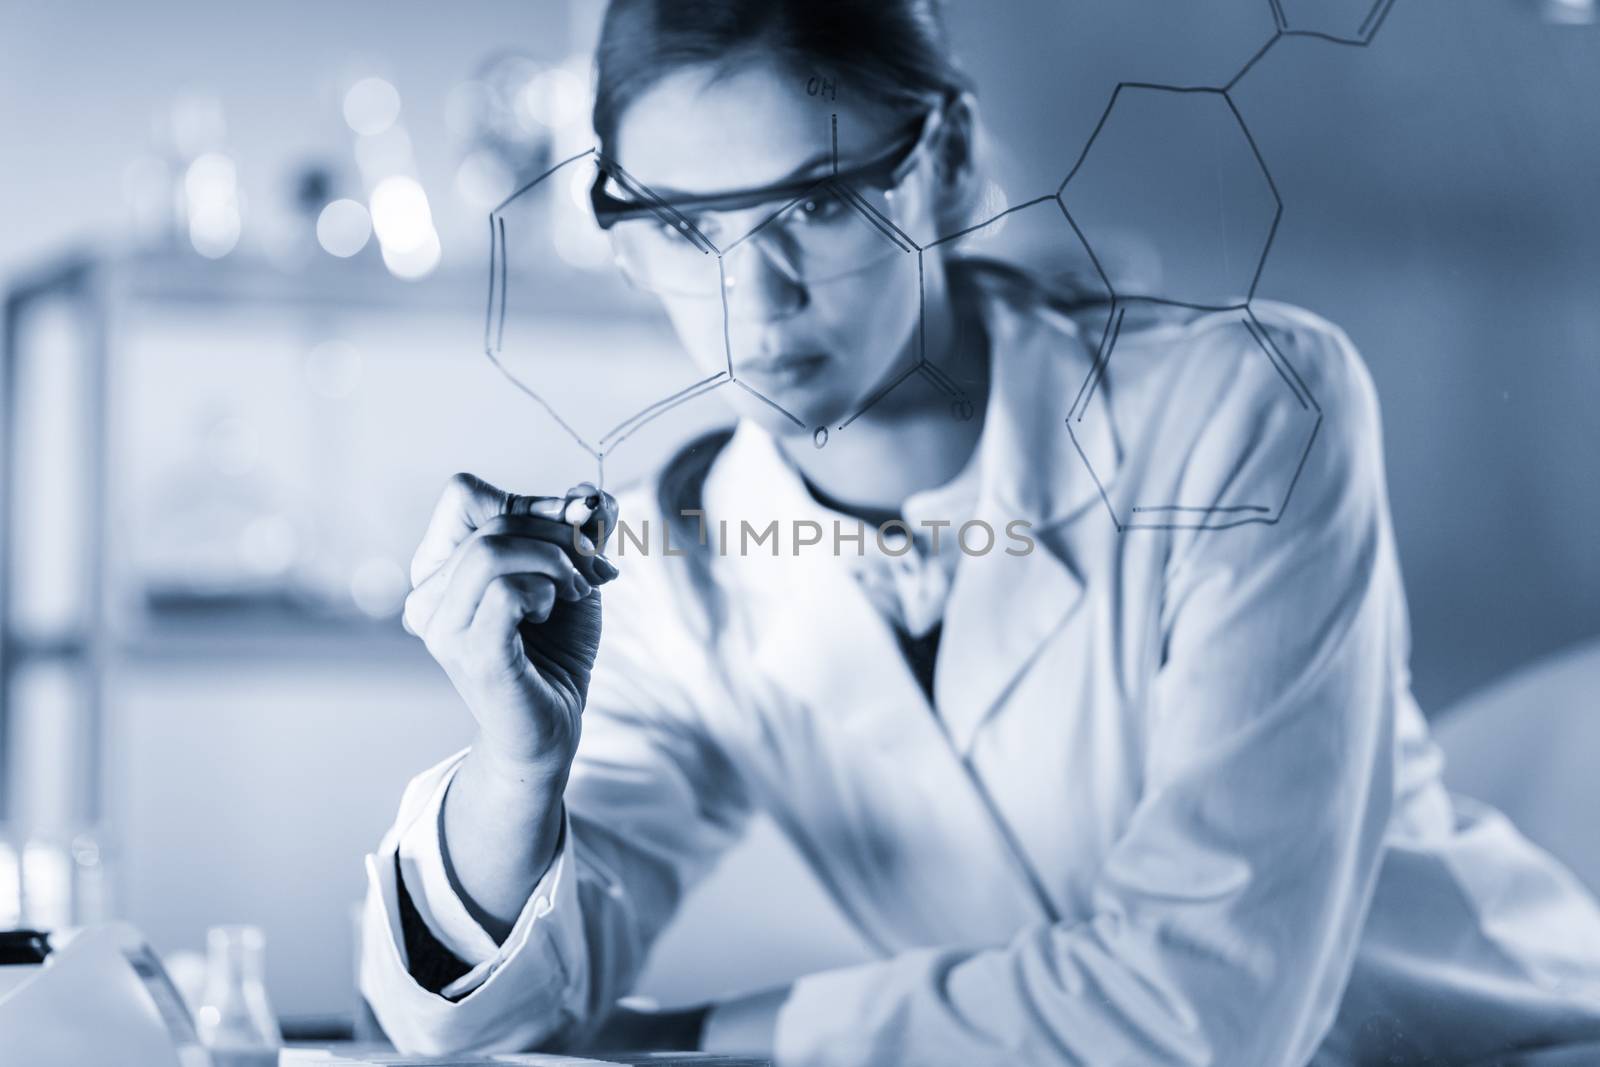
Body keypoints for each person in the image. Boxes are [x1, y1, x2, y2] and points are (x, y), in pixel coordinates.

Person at [358, 1, 1600, 1063]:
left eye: (822, 201)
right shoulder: (684, 560)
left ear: (945, 163)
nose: (754, 301)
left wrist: (694, 1038)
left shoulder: (1239, 406)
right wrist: (516, 768)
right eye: (688, 227)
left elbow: (1205, 1005)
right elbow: (473, 1015)